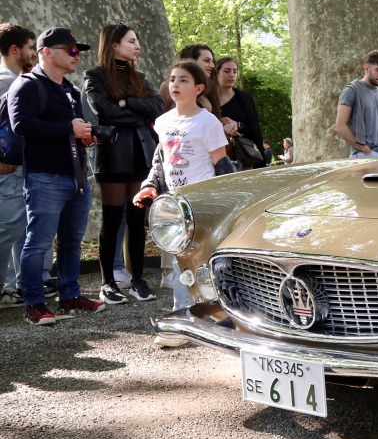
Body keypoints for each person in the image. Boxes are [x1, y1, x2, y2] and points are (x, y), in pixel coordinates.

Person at [8, 28, 106, 324]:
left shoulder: (71, 90)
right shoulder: (26, 86)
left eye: (79, 50)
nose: (78, 55)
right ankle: (34, 304)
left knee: (72, 241)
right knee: (38, 242)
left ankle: (70, 296)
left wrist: (85, 136)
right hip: (44, 177)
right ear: (47, 52)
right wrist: (69, 130)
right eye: (71, 50)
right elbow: (21, 125)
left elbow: (72, 128)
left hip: (76, 176)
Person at [134, 61, 233, 339]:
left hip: (202, 201)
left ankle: (217, 315)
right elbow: (160, 160)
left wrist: (224, 202)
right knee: (181, 261)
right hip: (176, 204)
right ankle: (183, 320)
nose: (175, 84)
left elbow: (221, 163)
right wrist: (150, 187)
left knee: (205, 260)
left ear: (199, 88)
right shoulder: (164, 122)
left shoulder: (207, 122)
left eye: (184, 80)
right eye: (173, 79)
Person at [83, 23, 163, 305]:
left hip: (142, 153)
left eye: (137, 41)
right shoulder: (95, 76)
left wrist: (128, 102)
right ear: (114, 45)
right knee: (113, 219)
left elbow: (159, 106)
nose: (137, 46)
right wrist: (137, 114)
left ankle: (138, 280)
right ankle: (107, 283)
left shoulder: (139, 77)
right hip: (114, 155)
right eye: (131, 41)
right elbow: (105, 111)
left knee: (137, 219)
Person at [0, 23, 37, 308]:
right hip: (8, 167)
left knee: (17, 229)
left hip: (19, 166)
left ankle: (10, 287)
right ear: (15, 50)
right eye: (30, 48)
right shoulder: (7, 82)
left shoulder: (17, 80)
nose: (34, 54)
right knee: (8, 228)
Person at [336, 50, 378, 157]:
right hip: (363, 155)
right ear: (367, 68)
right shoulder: (352, 91)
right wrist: (365, 150)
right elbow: (340, 126)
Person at [214, 56, 266, 167]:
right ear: (217, 73)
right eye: (227, 71)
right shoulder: (209, 100)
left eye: (235, 71)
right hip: (216, 159)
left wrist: (238, 125)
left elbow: (254, 129)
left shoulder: (244, 98)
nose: (232, 75)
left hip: (244, 159)